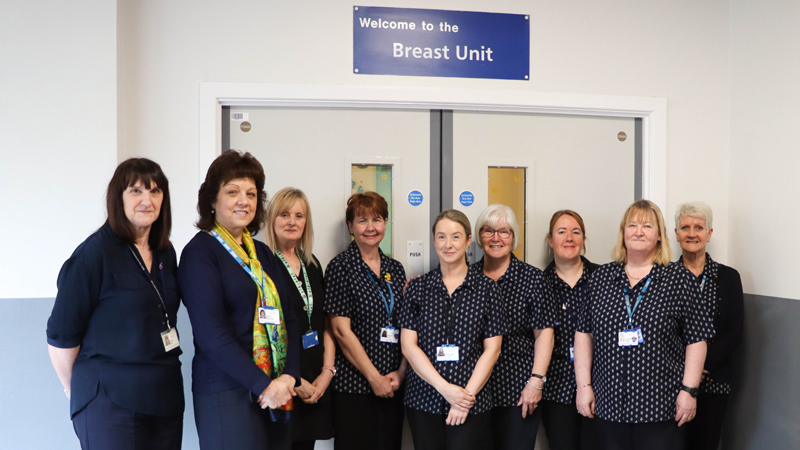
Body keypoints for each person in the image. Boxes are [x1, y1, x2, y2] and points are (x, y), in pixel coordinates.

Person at [46, 158, 184, 449]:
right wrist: (78, 389)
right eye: (136, 191)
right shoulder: (94, 254)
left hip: (165, 398)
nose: (147, 200)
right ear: (117, 197)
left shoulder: (165, 252)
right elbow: (61, 336)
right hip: (110, 402)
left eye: (155, 191)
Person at [179, 150, 300, 449]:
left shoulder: (262, 254)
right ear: (212, 200)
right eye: (232, 192)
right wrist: (265, 385)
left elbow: (291, 316)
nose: (244, 200)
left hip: (275, 392)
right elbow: (211, 335)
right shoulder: (199, 253)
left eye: (251, 193)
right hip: (227, 392)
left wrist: (289, 377)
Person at [574, 200, 715, 450]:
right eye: (632, 225)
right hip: (608, 404)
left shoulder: (679, 279)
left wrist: (689, 391)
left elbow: (697, 339)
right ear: (623, 233)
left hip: (661, 406)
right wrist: (583, 387)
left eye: (647, 226)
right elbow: (583, 335)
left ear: (660, 236)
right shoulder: (599, 279)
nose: (639, 231)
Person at [399, 210, 507, 450]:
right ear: (434, 241)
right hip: (424, 400)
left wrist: (463, 399)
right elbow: (408, 345)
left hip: (472, 402)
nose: (448, 244)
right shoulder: (417, 288)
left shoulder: (488, 289)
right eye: (441, 237)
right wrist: (446, 390)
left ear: (469, 240)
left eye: (456, 237)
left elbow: (493, 350)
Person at [324, 192, 408, 450]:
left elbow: (407, 327)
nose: (371, 227)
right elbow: (340, 331)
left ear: (385, 223)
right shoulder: (341, 267)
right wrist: (374, 378)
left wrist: (401, 372)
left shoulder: (396, 268)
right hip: (355, 387)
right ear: (350, 226)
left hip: (393, 384)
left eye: (377, 219)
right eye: (362, 220)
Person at [471, 205, 557, 450]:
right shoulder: (468, 278)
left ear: (514, 237)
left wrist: (536, 382)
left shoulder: (532, 279)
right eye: (488, 231)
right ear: (479, 236)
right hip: (474, 390)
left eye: (504, 232)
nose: (496, 238)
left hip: (518, 390)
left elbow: (544, 334)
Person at [264, 187, 334, 450]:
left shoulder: (312, 263)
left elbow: (325, 323)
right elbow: (263, 333)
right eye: (284, 215)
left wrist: (326, 374)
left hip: (316, 379)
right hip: (282, 380)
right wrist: (293, 380)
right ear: (272, 220)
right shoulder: (264, 265)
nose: (292, 222)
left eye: (299, 215)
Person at [674, 202, 743, 450]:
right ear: (676, 233)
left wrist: (700, 364)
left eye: (699, 227)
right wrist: (686, 367)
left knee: (707, 443)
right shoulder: (664, 276)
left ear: (709, 233)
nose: (692, 233)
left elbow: (735, 332)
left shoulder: (729, 277)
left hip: (715, 382)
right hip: (673, 381)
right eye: (685, 227)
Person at [540, 210, 600, 450]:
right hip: (557, 386)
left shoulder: (604, 278)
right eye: (562, 232)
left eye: (576, 232)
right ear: (550, 240)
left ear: (583, 240)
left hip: (600, 383)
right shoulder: (539, 284)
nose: (569, 237)